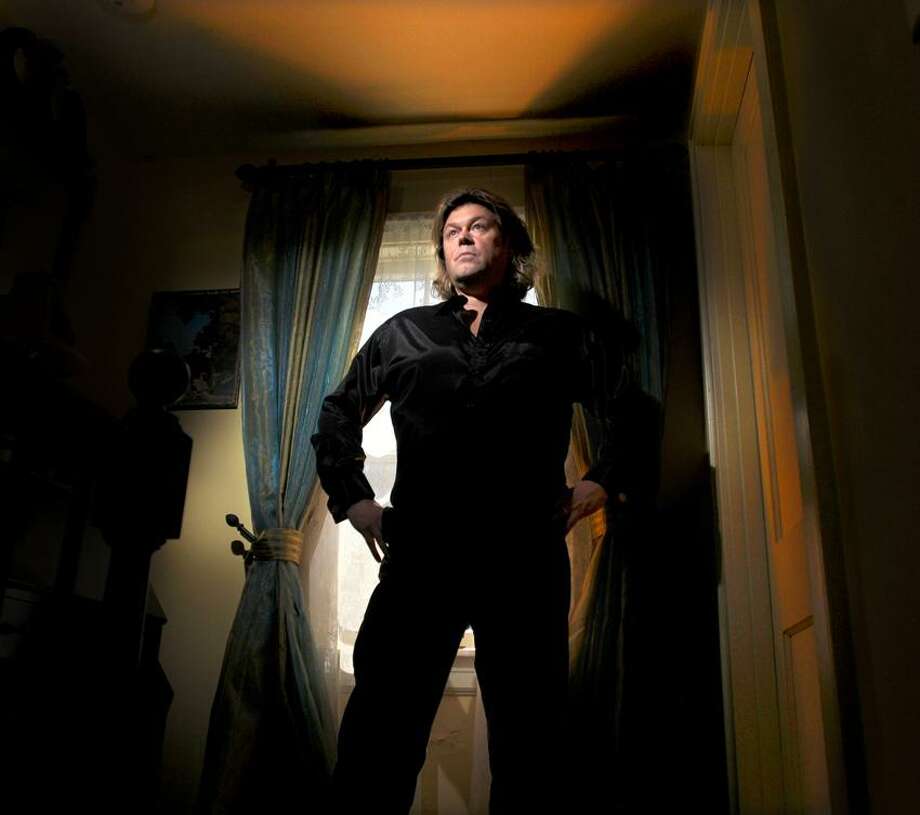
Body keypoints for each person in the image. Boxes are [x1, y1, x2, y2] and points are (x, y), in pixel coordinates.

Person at [311, 188, 639, 814]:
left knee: (530, 734)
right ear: (442, 251)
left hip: (524, 560)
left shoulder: (560, 333)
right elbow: (336, 412)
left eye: (479, 226)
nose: (461, 236)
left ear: (507, 243)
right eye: (451, 230)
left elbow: (629, 408)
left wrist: (600, 480)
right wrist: (353, 498)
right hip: (420, 557)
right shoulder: (403, 332)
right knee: (381, 728)